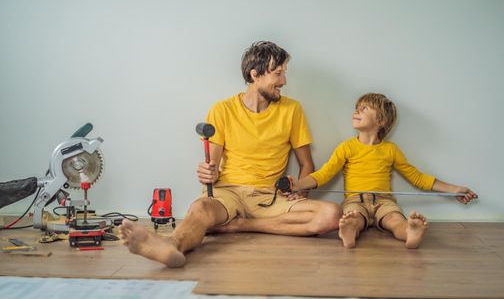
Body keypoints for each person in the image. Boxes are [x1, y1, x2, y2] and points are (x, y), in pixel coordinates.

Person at [119, 41, 341, 267]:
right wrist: (207, 173)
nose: (283, 81)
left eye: (284, 73)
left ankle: (239, 225)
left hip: (269, 197)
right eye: (278, 74)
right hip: (228, 193)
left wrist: (300, 193)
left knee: (332, 214)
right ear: (255, 75)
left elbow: (306, 164)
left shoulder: (292, 109)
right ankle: (170, 245)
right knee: (200, 208)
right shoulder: (222, 110)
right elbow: (212, 169)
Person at [288, 93, 478, 249]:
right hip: (356, 201)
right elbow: (324, 174)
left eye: (364, 108)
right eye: (357, 107)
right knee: (353, 218)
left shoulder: (390, 150)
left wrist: (455, 189)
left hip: (384, 201)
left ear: (380, 120)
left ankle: (410, 232)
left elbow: (417, 177)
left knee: (396, 220)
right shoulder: (346, 147)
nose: (357, 111)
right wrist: (297, 184)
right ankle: (348, 232)